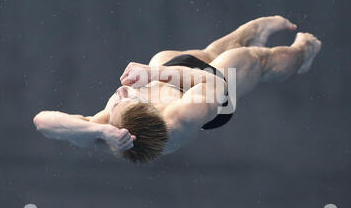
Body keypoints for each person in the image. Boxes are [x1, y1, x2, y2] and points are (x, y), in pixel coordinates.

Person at [33, 15, 321, 163]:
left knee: (199, 55)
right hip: (214, 96)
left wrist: (99, 130)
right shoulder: (184, 116)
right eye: (126, 100)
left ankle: (252, 34)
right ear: (149, 107)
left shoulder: (111, 128)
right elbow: (216, 83)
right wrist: (155, 74)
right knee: (246, 61)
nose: (119, 93)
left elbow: (42, 122)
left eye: (117, 104)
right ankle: (303, 54)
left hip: (170, 79)